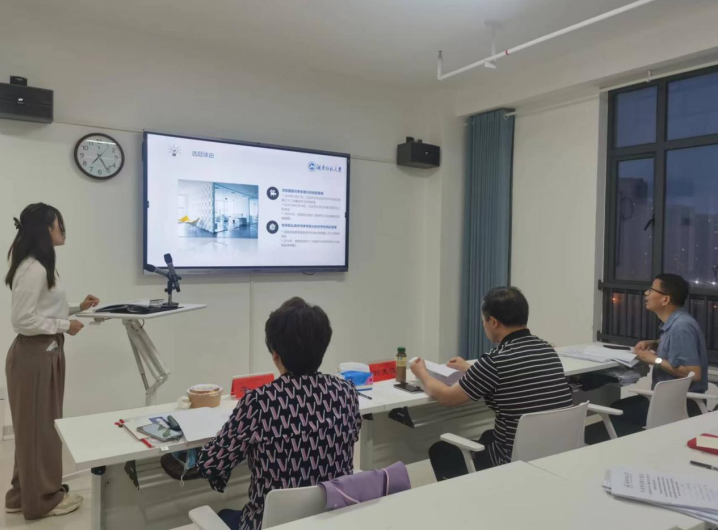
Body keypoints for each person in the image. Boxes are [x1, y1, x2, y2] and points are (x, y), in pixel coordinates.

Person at [196, 297, 362, 530]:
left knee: (223, 514)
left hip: (269, 525)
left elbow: (211, 464)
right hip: (333, 520)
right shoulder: (345, 392)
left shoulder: (259, 402)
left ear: (276, 354)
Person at [410, 287, 573, 481]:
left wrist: (422, 372)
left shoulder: (495, 360)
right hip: (555, 454)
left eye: (484, 321)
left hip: (513, 462)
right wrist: (470, 368)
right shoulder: (547, 349)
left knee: (441, 450)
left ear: (493, 322)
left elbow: (447, 397)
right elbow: (512, 375)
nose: (484, 325)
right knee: (488, 435)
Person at [4, 203, 99, 519]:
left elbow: (43, 310)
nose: (63, 229)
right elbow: (22, 320)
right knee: (39, 431)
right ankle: (42, 499)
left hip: (44, 353)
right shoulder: (33, 269)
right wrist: (65, 325)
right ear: (46, 229)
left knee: (36, 429)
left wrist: (77, 308)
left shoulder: (41, 265)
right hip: (35, 357)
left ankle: (23, 493)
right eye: (59, 223)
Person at [607, 273, 708, 437]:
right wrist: (654, 343)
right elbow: (676, 347)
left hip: (681, 404)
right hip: (671, 400)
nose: (646, 293)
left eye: (651, 290)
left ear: (665, 299)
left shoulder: (681, 327)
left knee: (617, 412)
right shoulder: (675, 322)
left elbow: (694, 374)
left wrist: (656, 360)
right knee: (618, 408)